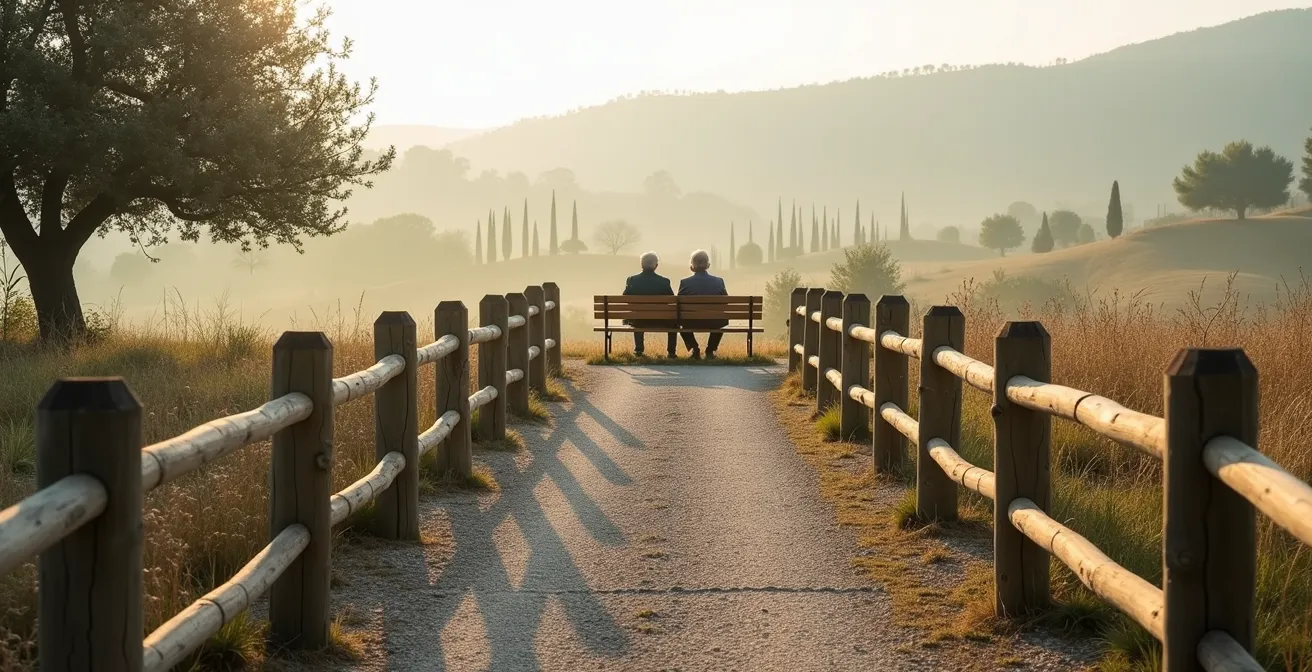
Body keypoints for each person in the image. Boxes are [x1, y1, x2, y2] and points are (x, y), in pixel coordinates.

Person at [622, 251, 678, 358]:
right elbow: (671, 300)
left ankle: (639, 350)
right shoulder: (664, 282)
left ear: (641, 265)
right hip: (661, 320)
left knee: (637, 316)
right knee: (674, 323)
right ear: (656, 266)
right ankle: (671, 352)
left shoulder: (632, 280)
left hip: (638, 320)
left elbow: (625, 297)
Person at [677, 249, 728, 359]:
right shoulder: (719, 281)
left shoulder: (685, 283)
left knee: (680, 323)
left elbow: (678, 303)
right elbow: (726, 301)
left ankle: (695, 349)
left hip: (691, 322)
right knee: (720, 322)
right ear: (708, 265)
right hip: (714, 321)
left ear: (692, 266)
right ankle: (710, 350)